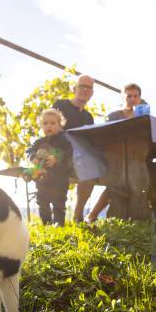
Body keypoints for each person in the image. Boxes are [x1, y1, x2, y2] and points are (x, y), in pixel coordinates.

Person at [85, 83, 143, 222]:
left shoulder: (143, 116)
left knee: (139, 176)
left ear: (140, 98)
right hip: (113, 159)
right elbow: (105, 139)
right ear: (123, 98)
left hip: (136, 159)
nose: (132, 99)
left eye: (135, 96)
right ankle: (93, 215)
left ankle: (135, 218)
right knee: (118, 181)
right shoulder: (113, 116)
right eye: (129, 96)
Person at [53, 74, 96, 222]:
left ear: (92, 93)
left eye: (88, 87)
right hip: (59, 155)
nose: (85, 90)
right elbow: (50, 131)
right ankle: (59, 219)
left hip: (79, 159)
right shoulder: (61, 105)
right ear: (74, 88)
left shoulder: (89, 117)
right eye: (82, 86)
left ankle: (78, 215)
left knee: (94, 167)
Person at [26, 109, 73, 226]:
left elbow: (69, 152)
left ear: (59, 125)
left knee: (59, 202)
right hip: (42, 177)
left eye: (53, 123)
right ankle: (46, 224)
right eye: (45, 123)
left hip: (59, 178)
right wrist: (33, 157)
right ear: (41, 126)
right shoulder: (38, 142)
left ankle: (59, 224)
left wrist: (56, 159)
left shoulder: (64, 140)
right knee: (42, 200)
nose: (49, 126)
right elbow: (29, 150)